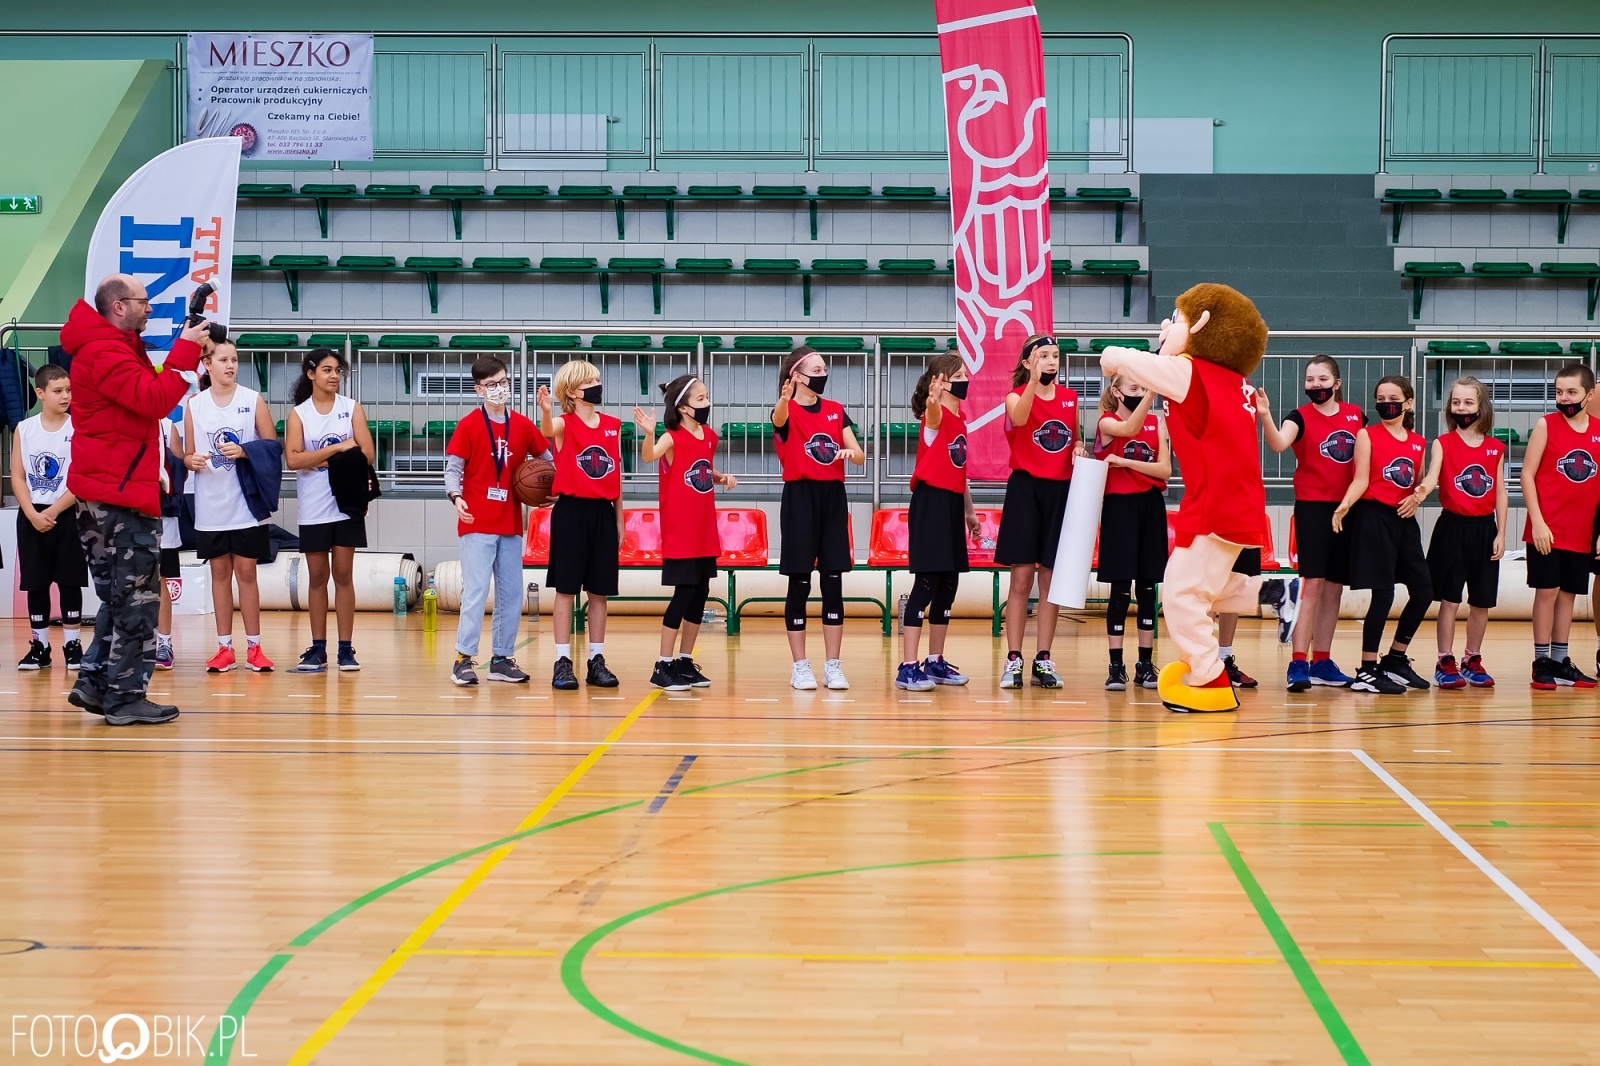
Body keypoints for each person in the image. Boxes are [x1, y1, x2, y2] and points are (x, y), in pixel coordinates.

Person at [62, 273, 209, 725]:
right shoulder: (106, 351)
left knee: (120, 598)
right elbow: (153, 401)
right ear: (119, 307)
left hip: (109, 490)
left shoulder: (108, 347)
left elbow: (147, 389)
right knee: (139, 602)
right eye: (144, 302)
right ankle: (125, 699)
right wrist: (185, 352)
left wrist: (181, 356)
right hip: (119, 496)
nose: (150, 309)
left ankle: (92, 683)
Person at [1257, 355, 1364, 691]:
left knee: (1334, 588)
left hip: (1347, 509)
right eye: (1310, 380)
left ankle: (1322, 660)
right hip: (1313, 509)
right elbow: (1278, 444)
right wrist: (1265, 416)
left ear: (1337, 382)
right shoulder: (1298, 417)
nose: (1315, 385)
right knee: (1313, 585)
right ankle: (1298, 662)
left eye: (1322, 379)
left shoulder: (1356, 415)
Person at [446, 355, 547, 686]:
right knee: (475, 591)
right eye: (491, 385)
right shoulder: (468, 424)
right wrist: (456, 497)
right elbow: (453, 469)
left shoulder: (522, 424)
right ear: (478, 389)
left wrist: (552, 485)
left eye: (503, 382)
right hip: (476, 521)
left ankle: (502, 659)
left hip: (510, 524)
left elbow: (547, 458)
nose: (499, 389)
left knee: (511, 594)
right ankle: (463, 659)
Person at [771, 346, 865, 691]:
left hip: (832, 497)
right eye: (816, 369)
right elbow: (779, 420)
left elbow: (859, 455)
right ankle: (800, 666)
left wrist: (851, 452)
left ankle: (833, 665)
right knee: (799, 582)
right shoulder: (786, 410)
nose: (823, 374)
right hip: (799, 497)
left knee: (832, 580)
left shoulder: (836, 411)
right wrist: (784, 398)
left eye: (824, 368)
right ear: (797, 375)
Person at [635, 375, 736, 690]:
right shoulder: (670, 437)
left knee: (701, 593)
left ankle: (684, 661)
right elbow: (648, 456)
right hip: (681, 530)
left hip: (705, 528)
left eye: (707, 397)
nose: (707, 404)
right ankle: (662, 664)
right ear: (682, 406)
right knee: (684, 594)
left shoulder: (709, 435)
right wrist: (650, 434)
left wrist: (721, 478)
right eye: (701, 399)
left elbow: (701, 467)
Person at [1332, 375, 1432, 695]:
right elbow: (1361, 478)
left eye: (1393, 397)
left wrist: (1417, 498)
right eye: (1380, 398)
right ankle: (1367, 669)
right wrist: (1345, 505)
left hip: (1403, 521)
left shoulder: (1418, 442)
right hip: (1373, 518)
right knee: (1384, 593)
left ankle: (1396, 659)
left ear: (1408, 402)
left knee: (1423, 590)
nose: (1386, 403)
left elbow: (1414, 484)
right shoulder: (1367, 434)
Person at [183, 340, 278, 673]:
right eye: (223, 359)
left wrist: (246, 451)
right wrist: (190, 459)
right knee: (219, 574)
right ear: (207, 364)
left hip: (244, 504)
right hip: (209, 505)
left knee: (247, 573)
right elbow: (188, 454)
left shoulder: (252, 400)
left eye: (234, 360)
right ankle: (224, 648)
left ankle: (255, 647)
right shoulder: (194, 404)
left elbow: (272, 446)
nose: (231, 365)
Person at [993, 334, 1080, 689]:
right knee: (1021, 579)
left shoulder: (1070, 398)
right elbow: (1021, 415)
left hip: (1059, 492)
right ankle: (1014, 658)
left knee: (1050, 581)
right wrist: (1031, 382)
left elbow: (1074, 438)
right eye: (1043, 356)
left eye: (1055, 356)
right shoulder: (1015, 395)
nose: (1051, 362)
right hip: (1025, 489)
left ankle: (1043, 658)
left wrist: (1079, 449)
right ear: (1028, 361)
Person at [285, 347, 375, 673]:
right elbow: (294, 459)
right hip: (313, 508)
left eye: (337, 370)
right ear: (311, 374)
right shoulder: (300, 414)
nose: (334, 375)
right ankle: (318, 648)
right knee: (317, 577)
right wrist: (337, 448)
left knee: (343, 576)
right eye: (327, 370)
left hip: (346, 504)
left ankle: (346, 649)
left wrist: (318, 457)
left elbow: (367, 454)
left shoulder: (351, 409)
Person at [896, 354, 980, 691]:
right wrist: (932, 401)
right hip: (930, 503)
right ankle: (908, 666)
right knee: (926, 585)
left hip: (951, 504)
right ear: (941, 382)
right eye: (957, 375)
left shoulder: (961, 421)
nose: (964, 379)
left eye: (964, 373)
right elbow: (932, 417)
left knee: (948, 586)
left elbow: (960, 473)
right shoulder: (936, 415)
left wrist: (969, 511)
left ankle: (934, 661)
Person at [538, 359, 623, 691]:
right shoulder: (562, 423)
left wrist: (620, 520)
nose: (597, 384)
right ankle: (562, 661)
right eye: (591, 380)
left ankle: (596, 660)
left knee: (598, 591)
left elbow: (616, 477)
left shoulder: (613, 425)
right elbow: (547, 431)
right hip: (571, 511)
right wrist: (545, 410)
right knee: (566, 589)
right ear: (572, 391)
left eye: (599, 378)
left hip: (603, 511)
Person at [1420, 376, 1506, 689]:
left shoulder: (1496, 448)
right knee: (1449, 600)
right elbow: (1432, 477)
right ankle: (1445, 659)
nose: (1461, 407)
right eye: (1456, 402)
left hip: (1485, 530)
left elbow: (1500, 493)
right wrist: (1421, 490)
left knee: (1481, 601)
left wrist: (1501, 533)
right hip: (1452, 528)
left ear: (1481, 407)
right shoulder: (1442, 443)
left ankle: (1473, 658)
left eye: (1468, 402)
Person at [1521, 363, 1600, 690]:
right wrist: (1537, 521)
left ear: (1589, 395)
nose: (1564, 398)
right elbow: (1527, 474)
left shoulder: (1599, 430)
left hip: (1581, 530)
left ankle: (1560, 660)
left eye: (1571, 392)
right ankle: (1541, 661)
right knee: (1548, 591)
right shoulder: (1546, 425)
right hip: (1547, 528)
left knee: (1568, 594)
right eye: (1558, 392)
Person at [1093, 372, 1170, 691]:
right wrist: (1152, 394)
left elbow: (1164, 471)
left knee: (1149, 587)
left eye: (1144, 387)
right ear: (1117, 391)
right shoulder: (1106, 422)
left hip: (1150, 506)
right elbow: (1129, 429)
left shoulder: (1159, 424)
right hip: (1119, 507)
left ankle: (1144, 663)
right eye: (1134, 388)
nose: (1141, 392)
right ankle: (1115, 665)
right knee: (1121, 588)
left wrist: (1124, 462)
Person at [11, 365, 85, 670]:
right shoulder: (24, 428)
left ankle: (72, 644)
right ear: (41, 394)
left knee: (70, 581)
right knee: (36, 582)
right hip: (32, 514)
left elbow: (81, 477)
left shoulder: (78, 428)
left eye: (68, 390)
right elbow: (17, 475)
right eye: (58, 391)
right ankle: (39, 646)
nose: (65, 395)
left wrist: (53, 511)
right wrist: (32, 513)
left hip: (66, 513)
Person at [154, 412, 189, 670]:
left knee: (161, 579)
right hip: (128, 513)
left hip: (161, 512)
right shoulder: (119, 422)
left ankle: (163, 642)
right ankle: (130, 643)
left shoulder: (167, 426)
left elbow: (179, 471)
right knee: (127, 579)